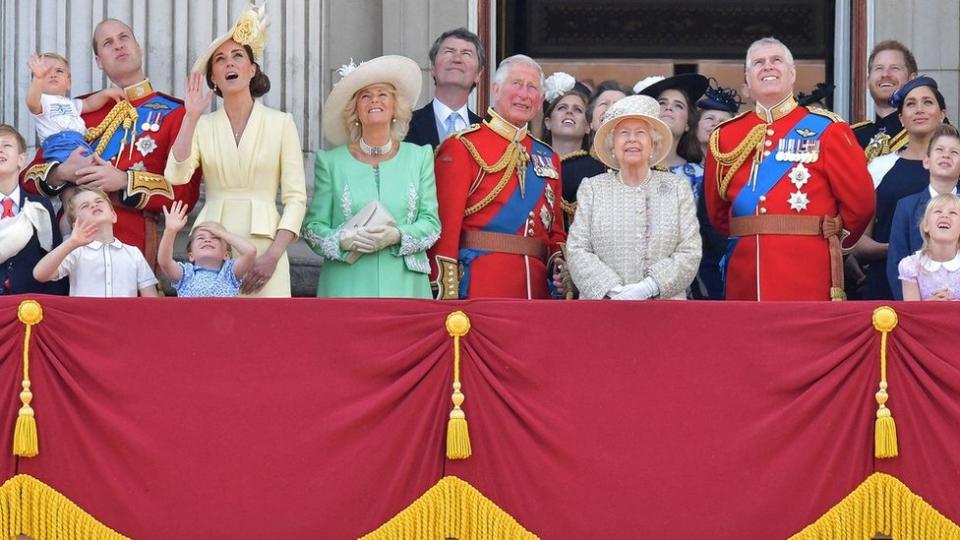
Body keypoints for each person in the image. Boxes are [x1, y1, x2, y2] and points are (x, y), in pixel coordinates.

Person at [704, 37, 875, 301]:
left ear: (792, 74)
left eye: (777, 60)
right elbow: (718, 213)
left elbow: (860, 203)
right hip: (744, 275)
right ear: (747, 80)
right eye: (758, 63)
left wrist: (830, 245)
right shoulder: (726, 136)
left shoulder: (828, 129)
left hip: (808, 273)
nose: (767, 67)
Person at [21, 18, 202, 267]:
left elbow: (184, 196)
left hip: (133, 241)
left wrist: (125, 181)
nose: (118, 46)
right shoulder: (76, 110)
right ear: (98, 61)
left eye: (123, 38)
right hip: (71, 243)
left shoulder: (176, 113)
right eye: (107, 43)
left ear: (138, 47)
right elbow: (28, 178)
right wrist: (61, 172)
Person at [165, 5, 307, 298]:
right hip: (213, 247)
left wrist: (274, 256)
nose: (229, 64)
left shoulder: (281, 123)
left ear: (252, 69)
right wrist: (189, 117)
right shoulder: (202, 125)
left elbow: (295, 198)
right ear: (213, 78)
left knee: (269, 333)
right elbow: (176, 175)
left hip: (267, 244)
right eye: (220, 59)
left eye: (237, 56)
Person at [429, 54, 567, 300]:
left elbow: (555, 231)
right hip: (481, 285)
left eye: (532, 87)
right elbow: (446, 229)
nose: (524, 94)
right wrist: (445, 291)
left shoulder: (548, 157)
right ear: (496, 89)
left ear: (540, 100)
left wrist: (559, 263)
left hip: (537, 291)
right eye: (516, 84)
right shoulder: (462, 147)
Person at [302, 55, 440, 298]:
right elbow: (313, 229)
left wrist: (396, 235)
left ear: (395, 106)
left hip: (406, 287)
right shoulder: (330, 162)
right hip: (347, 287)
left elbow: (431, 225)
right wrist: (343, 240)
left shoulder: (420, 157)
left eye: (382, 94)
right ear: (355, 110)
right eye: (365, 96)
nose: (374, 100)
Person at [567, 95, 701, 300]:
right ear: (612, 145)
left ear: (653, 143)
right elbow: (577, 250)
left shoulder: (677, 188)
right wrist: (613, 290)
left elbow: (690, 251)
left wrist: (649, 287)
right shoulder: (592, 189)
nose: (632, 139)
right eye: (623, 133)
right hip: (603, 309)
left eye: (640, 133)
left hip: (664, 312)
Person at [851, 76, 947, 300]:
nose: (919, 109)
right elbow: (860, 241)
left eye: (928, 102)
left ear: (942, 113)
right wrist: (897, 249)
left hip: (947, 285)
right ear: (901, 118)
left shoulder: (954, 166)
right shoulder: (879, 166)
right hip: (887, 282)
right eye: (911, 104)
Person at [33, 186, 158, 297]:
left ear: (113, 215)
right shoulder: (76, 252)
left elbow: (151, 299)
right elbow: (40, 274)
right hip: (85, 322)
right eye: (85, 206)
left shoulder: (133, 253)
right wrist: (71, 242)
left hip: (124, 321)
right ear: (75, 223)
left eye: (99, 201)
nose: (94, 205)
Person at [887, 124, 960, 299]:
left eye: (954, 152)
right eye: (939, 150)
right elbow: (895, 263)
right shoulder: (906, 207)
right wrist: (915, 310)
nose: (946, 155)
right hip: (917, 311)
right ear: (926, 161)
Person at [688, 81, 742, 300]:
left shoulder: (740, 173)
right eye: (709, 119)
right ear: (696, 125)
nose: (715, 125)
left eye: (723, 121)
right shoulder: (676, 170)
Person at [0, 125, 66, 295]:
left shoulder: (40, 206)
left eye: (6, 145)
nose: (0, 150)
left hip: (32, 309)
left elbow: (54, 259)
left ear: (21, 159)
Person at [26, 53, 124, 163]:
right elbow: (32, 103)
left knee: (95, 170)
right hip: (59, 145)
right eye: (46, 72)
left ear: (69, 83)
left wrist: (106, 94)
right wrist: (38, 78)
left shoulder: (70, 103)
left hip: (80, 143)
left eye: (59, 71)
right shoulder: (42, 101)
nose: (53, 75)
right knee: (83, 169)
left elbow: (89, 103)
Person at [541, 72, 605, 230]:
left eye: (578, 110)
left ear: (587, 126)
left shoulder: (599, 170)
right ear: (548, 122)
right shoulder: (531, 162)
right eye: (562, 107)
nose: (569, 112)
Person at [405, 28, 484, 148]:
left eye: (466, 53)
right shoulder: (403, 126)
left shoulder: (487, 131)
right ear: (433, 68)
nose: (457, 59)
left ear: (478, 74)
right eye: (449, 51)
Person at [158, 201, 256, 297]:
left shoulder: (229, 274)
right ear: (191, 255)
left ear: (226, 255)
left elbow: (250, 252)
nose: (207, 240)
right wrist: (170, 231)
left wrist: (223, 233)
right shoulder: (186, 274)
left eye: (215, 237)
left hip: (222, 314)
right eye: (201, 238)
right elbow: (164, 262)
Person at [852, 40, 918, 161]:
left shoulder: (928, 131)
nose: (885, 74)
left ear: (912, 80)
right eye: (878, 68)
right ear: (868, 80)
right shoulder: (852, 137)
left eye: (895, 68)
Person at [898, 193, 960, 301]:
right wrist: (929, 305)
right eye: (938, 211)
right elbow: (911, 312)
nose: (944, 215)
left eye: (953, 212)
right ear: (926, 225)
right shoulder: (911, 266)